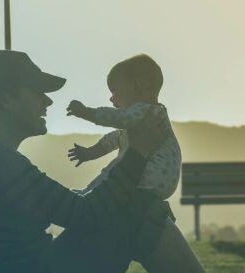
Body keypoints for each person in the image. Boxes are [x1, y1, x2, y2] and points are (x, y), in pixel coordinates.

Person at [0, 50, 229, 273]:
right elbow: (86, 215)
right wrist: (138, 153)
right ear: (6, 99)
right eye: (37, 92)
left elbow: (69, 208)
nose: (47, 102)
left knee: (137, 205)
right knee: (143, 210)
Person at [66, 54, 181, 203]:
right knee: (118, 167)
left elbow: (117, 118)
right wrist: (90, 153)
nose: (111, 98)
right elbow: (116, 139)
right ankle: (89, 192)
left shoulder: (147, 110)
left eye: (115, 91)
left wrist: (87, 112)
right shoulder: (147, 117)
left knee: (115, 170)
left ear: (136, 86)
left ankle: (89, 194)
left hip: (149, 176)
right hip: (160, 182)